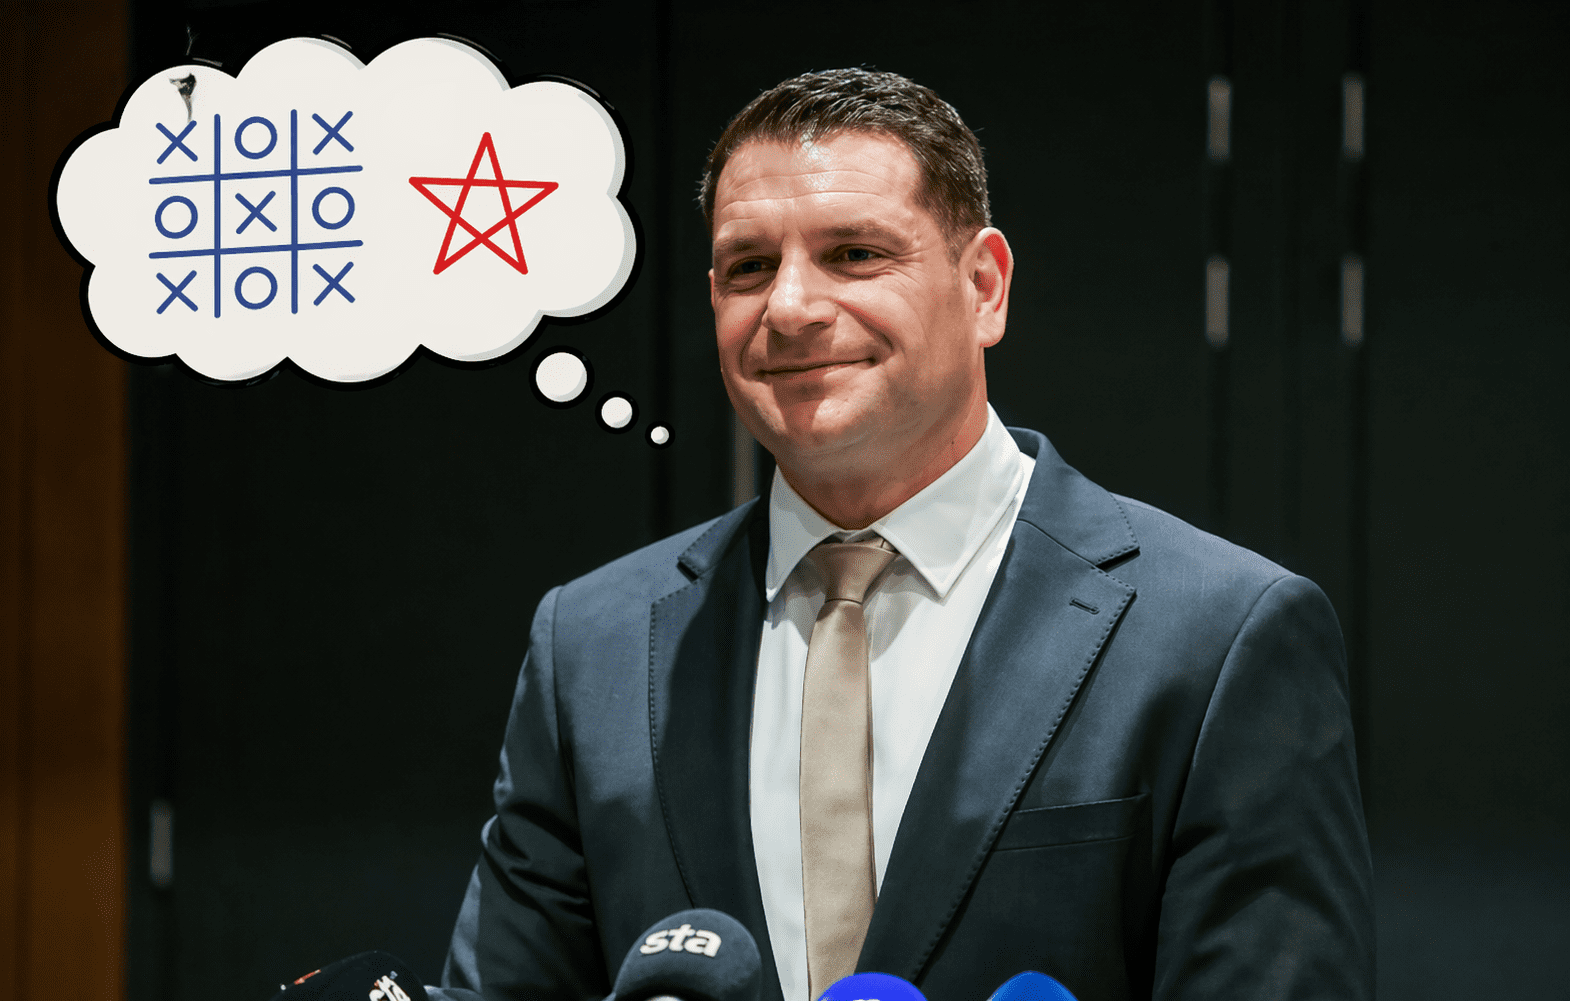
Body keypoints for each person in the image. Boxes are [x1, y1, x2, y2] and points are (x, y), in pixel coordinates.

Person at [431, 69, 1374, 1001]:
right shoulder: (590, 646)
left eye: (853, 254)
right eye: (749, 267)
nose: (789, 307)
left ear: (984, 287)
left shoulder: (1218, 637)